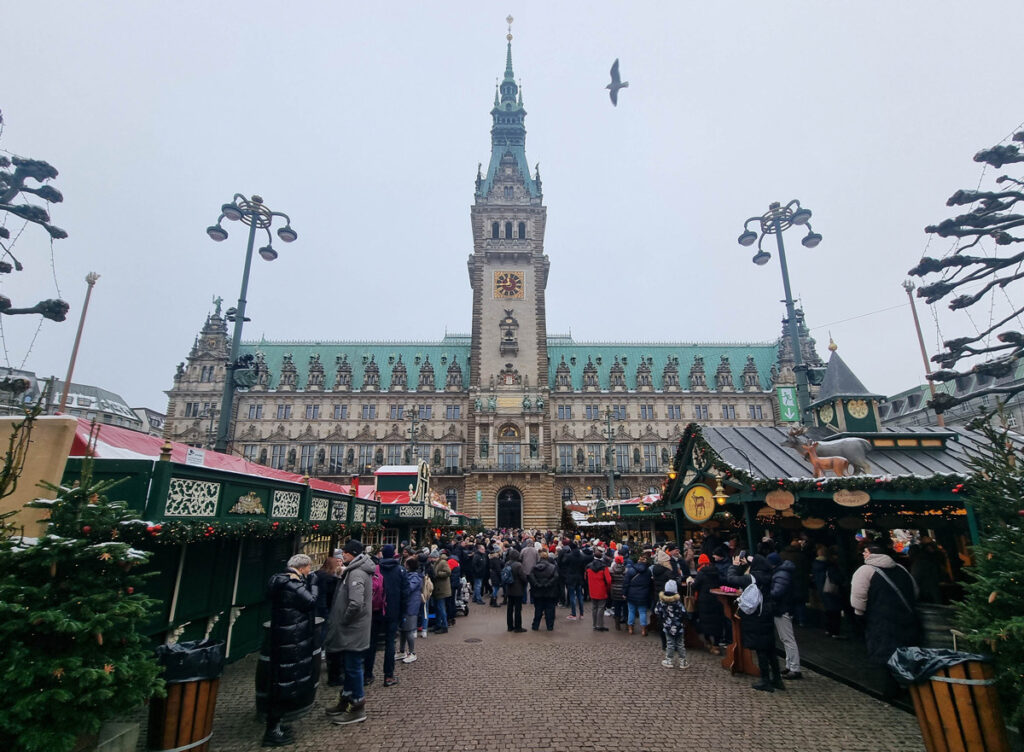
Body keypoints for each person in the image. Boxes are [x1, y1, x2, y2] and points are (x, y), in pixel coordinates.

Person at [851, 540, 920, 698]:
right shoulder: (901, 568)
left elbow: (858, 596)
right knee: (907, 650)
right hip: (906, 616)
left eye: (865, 551)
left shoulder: (865, 571)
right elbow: (915, 590)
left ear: (871, 553)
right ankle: (910, 686)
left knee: (885, 651)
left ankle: (891, 689)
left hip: (879, 617)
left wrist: (859, 613)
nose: (863, 554)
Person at [263, 554, 317, 747]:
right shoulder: (292, 584)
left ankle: (275, 724)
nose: (310, 571)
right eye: (309, 568)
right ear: (302, 568)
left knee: (281, 680)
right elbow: (311, 601)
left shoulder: (279, 581)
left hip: (285, 636)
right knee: (283, 682)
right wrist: (314, 585)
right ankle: (273, 729)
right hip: (291, 637)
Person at [324, 539, 375, 725]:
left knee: (353, 667)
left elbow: (356, 603)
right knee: (350, 666)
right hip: (354, 628)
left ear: (352, 553)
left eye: (345, 552)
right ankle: (345, 699)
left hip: (353, 629)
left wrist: (343, 620)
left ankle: (357, 706)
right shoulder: (354, 571)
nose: (342, 554)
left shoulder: (356, 573)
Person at [727, 553, 782, 692]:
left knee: (760, 648)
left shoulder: (752, 578)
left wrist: (734, 567)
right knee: (770, 648)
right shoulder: (768, 577)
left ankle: (765, 680)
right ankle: (777, 679)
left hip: (755, 615)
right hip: (767, 614)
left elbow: (732, 579)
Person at [364, 544, 407, 688]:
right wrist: (403, 613)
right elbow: (405, 594)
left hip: (375, 610)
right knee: (390, 643)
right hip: (392, 611)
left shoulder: (375, 569)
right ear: (393, 554)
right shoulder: (400, 570)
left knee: (371, 642)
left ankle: (367, 675)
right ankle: (388, 676)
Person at [767, 551, 802, 680]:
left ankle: (794, 668)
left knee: (788, 639)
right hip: (782, 608)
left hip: (782, 609)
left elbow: (777, 592)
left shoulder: (781, 575)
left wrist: (765, 590)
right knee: (785, 639)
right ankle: (789, 665)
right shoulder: (781, 573)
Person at [311, 557, 342, 686]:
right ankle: (322, 651)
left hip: (316, 606)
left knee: (319, 630)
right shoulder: (330, 578)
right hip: (326, 607)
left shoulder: (317, 575)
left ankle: (317, 651)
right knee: (325, 630)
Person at [692, 553, 725, 654]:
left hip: (704, 600)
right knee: (717, 623)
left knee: (705, 622)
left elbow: (695, 586)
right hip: (716, 599)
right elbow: (721, 582)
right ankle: (716, 644)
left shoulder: (701, 573)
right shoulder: (716, 571)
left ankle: (709, 643)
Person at [654, 579, 688, 668]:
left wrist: (662, 618)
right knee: (680, 644)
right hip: (679, 626)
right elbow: (684, 612)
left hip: (667, 626)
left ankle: (669, 660)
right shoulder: (678, 602)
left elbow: (657, 611)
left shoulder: (662, 602)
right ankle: (683, 661)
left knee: (670, 643)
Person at [396, 555, 423, 664]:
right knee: (403, 630)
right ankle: (402, 651)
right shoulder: (409, 575)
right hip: (405, 606)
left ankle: (412, 652)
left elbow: (408, 589)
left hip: (410, 607)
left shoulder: (415, 577)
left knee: (409, 631)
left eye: (406, 563)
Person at [528, 549, 561, 631]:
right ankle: (550, 626)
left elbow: (530, 576)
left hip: (538, 592)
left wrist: (536, 584)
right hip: (549, 592)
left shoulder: (534, 567)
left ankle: (535, 626)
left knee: (538, 609)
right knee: (549, 609)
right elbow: (556, 577)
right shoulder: (552, 567)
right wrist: (548, 584)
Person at [624, 553, 653, 636]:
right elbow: (650, 583)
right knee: (643, 612)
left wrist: (624, 593)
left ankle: (630, 628)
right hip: (643, 594)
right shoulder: (648, 571)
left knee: (631, 611)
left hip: (631, 593)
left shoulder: (631, 570)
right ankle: (643, 630)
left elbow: (626, 583)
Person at [585, 547, 612, 631]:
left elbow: (585, 578)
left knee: (594, 607)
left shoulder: (588, 567)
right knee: (601, 608)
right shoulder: (604, 567)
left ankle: (594, 624)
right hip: (602, 590)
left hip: (592, 590)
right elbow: (609, 580)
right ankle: (600, 625)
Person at [428, 550, 451, 634]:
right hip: (438, 588)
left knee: (441, 608)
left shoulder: (442, 562)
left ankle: (444, 626)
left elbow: (448, 572)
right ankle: (438, 624)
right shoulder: (436, 563)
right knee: (437, 608)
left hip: (441, 589)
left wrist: (437, 574)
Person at [505, 548, 527, 632]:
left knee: (509, 608)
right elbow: (523, 577)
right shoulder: (518, 565)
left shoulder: (507, 563)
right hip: (518, 589)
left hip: (509, 588)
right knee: (518, 609)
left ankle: (510, 626)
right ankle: (518, 627)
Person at [563, 542, 586, 620]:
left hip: (571, 578)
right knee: (579, 596)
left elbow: (564, 564)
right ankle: (582, 614)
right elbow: (583, 568)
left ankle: (573, 614)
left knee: (572, 596)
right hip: (579, 578)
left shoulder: (569, 556)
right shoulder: (582, 556)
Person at [609, 554, 628, 630]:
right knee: (625, 607)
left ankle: (617, 625)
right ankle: (627, 624)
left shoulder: (611, 570)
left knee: (617, 608)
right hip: (623, 591)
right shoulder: (626, 570)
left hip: (615, 590)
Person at [520, 536, 538, 603]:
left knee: (524, 586)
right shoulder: (535, 550)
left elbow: (520, 558)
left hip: (525, 570)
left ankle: (524, 600)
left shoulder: (523, 550)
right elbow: (538, 560)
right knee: (533, 586)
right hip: (533, 571)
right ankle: (532, 600)